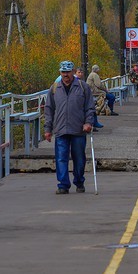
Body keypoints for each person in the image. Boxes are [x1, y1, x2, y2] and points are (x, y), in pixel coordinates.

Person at [44, 60, 94, 194]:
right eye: (63, 72)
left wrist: (88, 122)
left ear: (73, 72)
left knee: (79, 157)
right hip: (60, 129)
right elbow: (49, 109)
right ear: (60, 72)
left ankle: (79, 182)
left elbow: (89, 107)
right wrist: (47, 129)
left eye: (68, 71)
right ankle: (63, 185)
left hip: (78, 129)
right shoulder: (54, 88)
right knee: (61, 157)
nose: (66, 74)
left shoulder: (83, 87)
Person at [77, 67, 103, 131]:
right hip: (92, 93)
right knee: (110, 97)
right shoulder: (76, 81)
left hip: (87, 95)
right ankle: (92, 123)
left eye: (81, 72)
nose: (80, 74)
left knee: (91, 106)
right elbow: (98, 85)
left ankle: (92, 123)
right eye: (79, 72)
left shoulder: (80, 81)